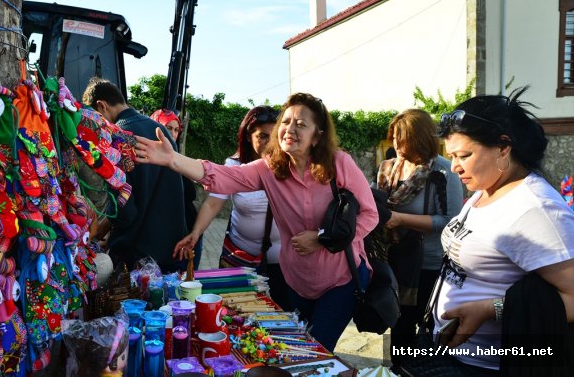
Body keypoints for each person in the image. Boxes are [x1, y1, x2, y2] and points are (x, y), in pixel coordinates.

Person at [133, 92, 379, 351]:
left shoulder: (339, 163)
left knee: (318, 349)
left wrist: (321, 239)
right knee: (292, 348)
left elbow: (370, 214)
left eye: (301, 124)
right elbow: (222, 175)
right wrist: (173, 159)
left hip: (340, 279)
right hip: (296, 280)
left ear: (318, 135)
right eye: (286, 121)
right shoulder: (269, 167)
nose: (290, 129)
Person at [431, 87, 574, 373]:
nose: (454, 167)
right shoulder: (486, 188)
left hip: (489, 366)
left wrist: (490, 309)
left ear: (503, 147)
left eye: (464, 155)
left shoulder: (536, 209)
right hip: (454, 355)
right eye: (451, 156)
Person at [174, 106, 292, 310]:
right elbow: (213, 203)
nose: (270, 143)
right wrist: (196, 233)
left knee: (278, 313)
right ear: (248, 136)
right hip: (239, 255)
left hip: (280, 260)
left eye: (274, 136)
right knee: (235, 311)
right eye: (262, 136)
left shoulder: (290, 166)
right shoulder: (234, 166)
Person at [375, 109, 463, 367]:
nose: (396, 145)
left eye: (403, 139)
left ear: (421, 139)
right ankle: (399, 370)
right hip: (394, 259)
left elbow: (450, 221)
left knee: (427, 330)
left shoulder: (444, 173)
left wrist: (401, 219)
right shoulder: (388, 169)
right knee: (398, 324)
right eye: (394, 138)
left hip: (429, 265)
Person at [82, 78, 188, 273]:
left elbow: (126, 212)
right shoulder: (160, 131)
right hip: (172, 249)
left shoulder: (115, 138)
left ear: (101, 106)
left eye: (95, 118)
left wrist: (106, 234)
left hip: (139, 259)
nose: (96, 126)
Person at [150, 108, 203, 269]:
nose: (172, 133)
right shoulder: (149, 160)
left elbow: (190, 194)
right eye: (167, 127)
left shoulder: (179, 158)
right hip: (163, 240)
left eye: (175, 129)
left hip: (188, 232)